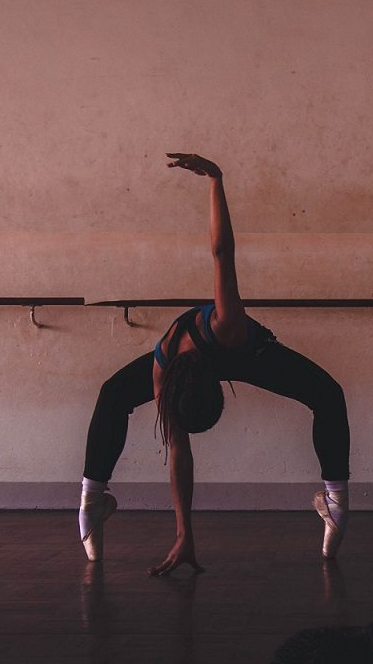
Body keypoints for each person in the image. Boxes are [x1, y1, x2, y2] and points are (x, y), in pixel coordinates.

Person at [79, 154, 351, 573]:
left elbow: (223, 251)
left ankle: (88, 507)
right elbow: (179, 453)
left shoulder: (228, 328)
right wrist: (183, 534)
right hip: (224, 357)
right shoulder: (163, 369)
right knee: (114, 394)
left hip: (251, 354)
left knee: (327, 393)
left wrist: (216, 181)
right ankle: (90, 505)